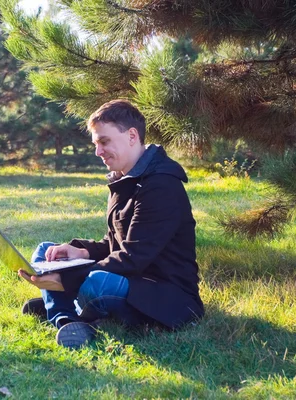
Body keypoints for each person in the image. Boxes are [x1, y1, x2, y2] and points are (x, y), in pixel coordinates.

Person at [19, 99, 204, 349]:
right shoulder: (124, 178)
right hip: (130, 279)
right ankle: (67, 320)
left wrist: (66, 281)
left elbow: (133, 258)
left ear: (131, 136)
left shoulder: (162, 185)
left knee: (96, 282)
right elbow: (114, 243)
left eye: (104, 141)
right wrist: (81, 251)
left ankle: (64, 303)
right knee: (45, 251)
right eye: (96, 144)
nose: (98, 152)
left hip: (164, 295)